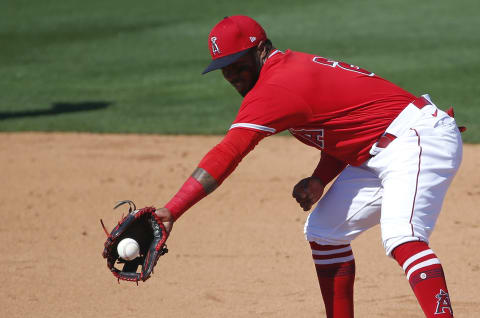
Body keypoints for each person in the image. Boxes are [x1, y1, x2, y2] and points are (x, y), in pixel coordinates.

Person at [155, 15, 463, 317]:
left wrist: (172, 211)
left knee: (402, 236)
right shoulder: (286, 72)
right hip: (382, 148)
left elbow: (229, 151)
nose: (232, 75)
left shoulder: (277, 84)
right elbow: (347, 131)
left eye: (238, 64)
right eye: (224, 69)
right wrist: (319, 179)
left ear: (261, 49)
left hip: (417, 138)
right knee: (325, 231)